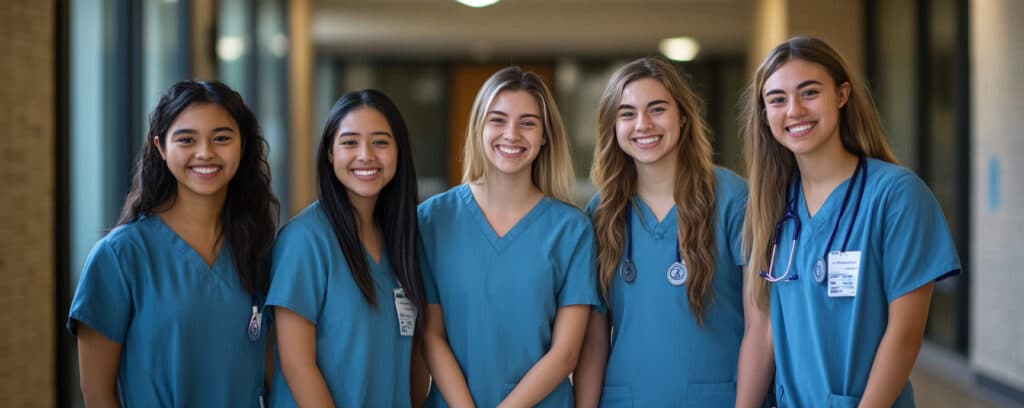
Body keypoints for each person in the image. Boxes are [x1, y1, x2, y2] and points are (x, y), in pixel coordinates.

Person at [742, 36, 960, 407]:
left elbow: (905, 334)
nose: (794, 110)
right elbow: (762, 332)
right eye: (777, 99)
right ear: (765, 113)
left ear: (842, 95)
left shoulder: (895, 195)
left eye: (809, 92)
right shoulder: (770, 206)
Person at [572, 57, 772, 407]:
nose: (643, 124)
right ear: (612, 126)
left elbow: (762, 326)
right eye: (627, 113)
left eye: (657, 109)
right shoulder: (602, 212)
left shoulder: (733, 200)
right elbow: (593, 340)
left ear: (682, 115)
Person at [67, 80, 279, 406]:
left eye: (221, 138)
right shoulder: (120, 257)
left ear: (244, 146)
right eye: (186, 139)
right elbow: (96, 392)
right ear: (161, 148)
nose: (205, 152)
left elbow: (270, 376)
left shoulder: (260, 251)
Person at [418, 66, 599, 407]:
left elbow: (566, 353)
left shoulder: (572, 230)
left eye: (528, 122)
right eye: (497, 120)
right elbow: (431, 335)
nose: (511, 134)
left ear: (545, 135)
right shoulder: (431, 220)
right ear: (479, 128)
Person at [266, 89, 427, 407]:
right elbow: (297, 366)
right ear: (329, 152)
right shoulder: (305, 240)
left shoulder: (403, 242)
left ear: (399, 151)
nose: (366, 155)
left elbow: (412, 359)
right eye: (350, 142)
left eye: (380, 142)